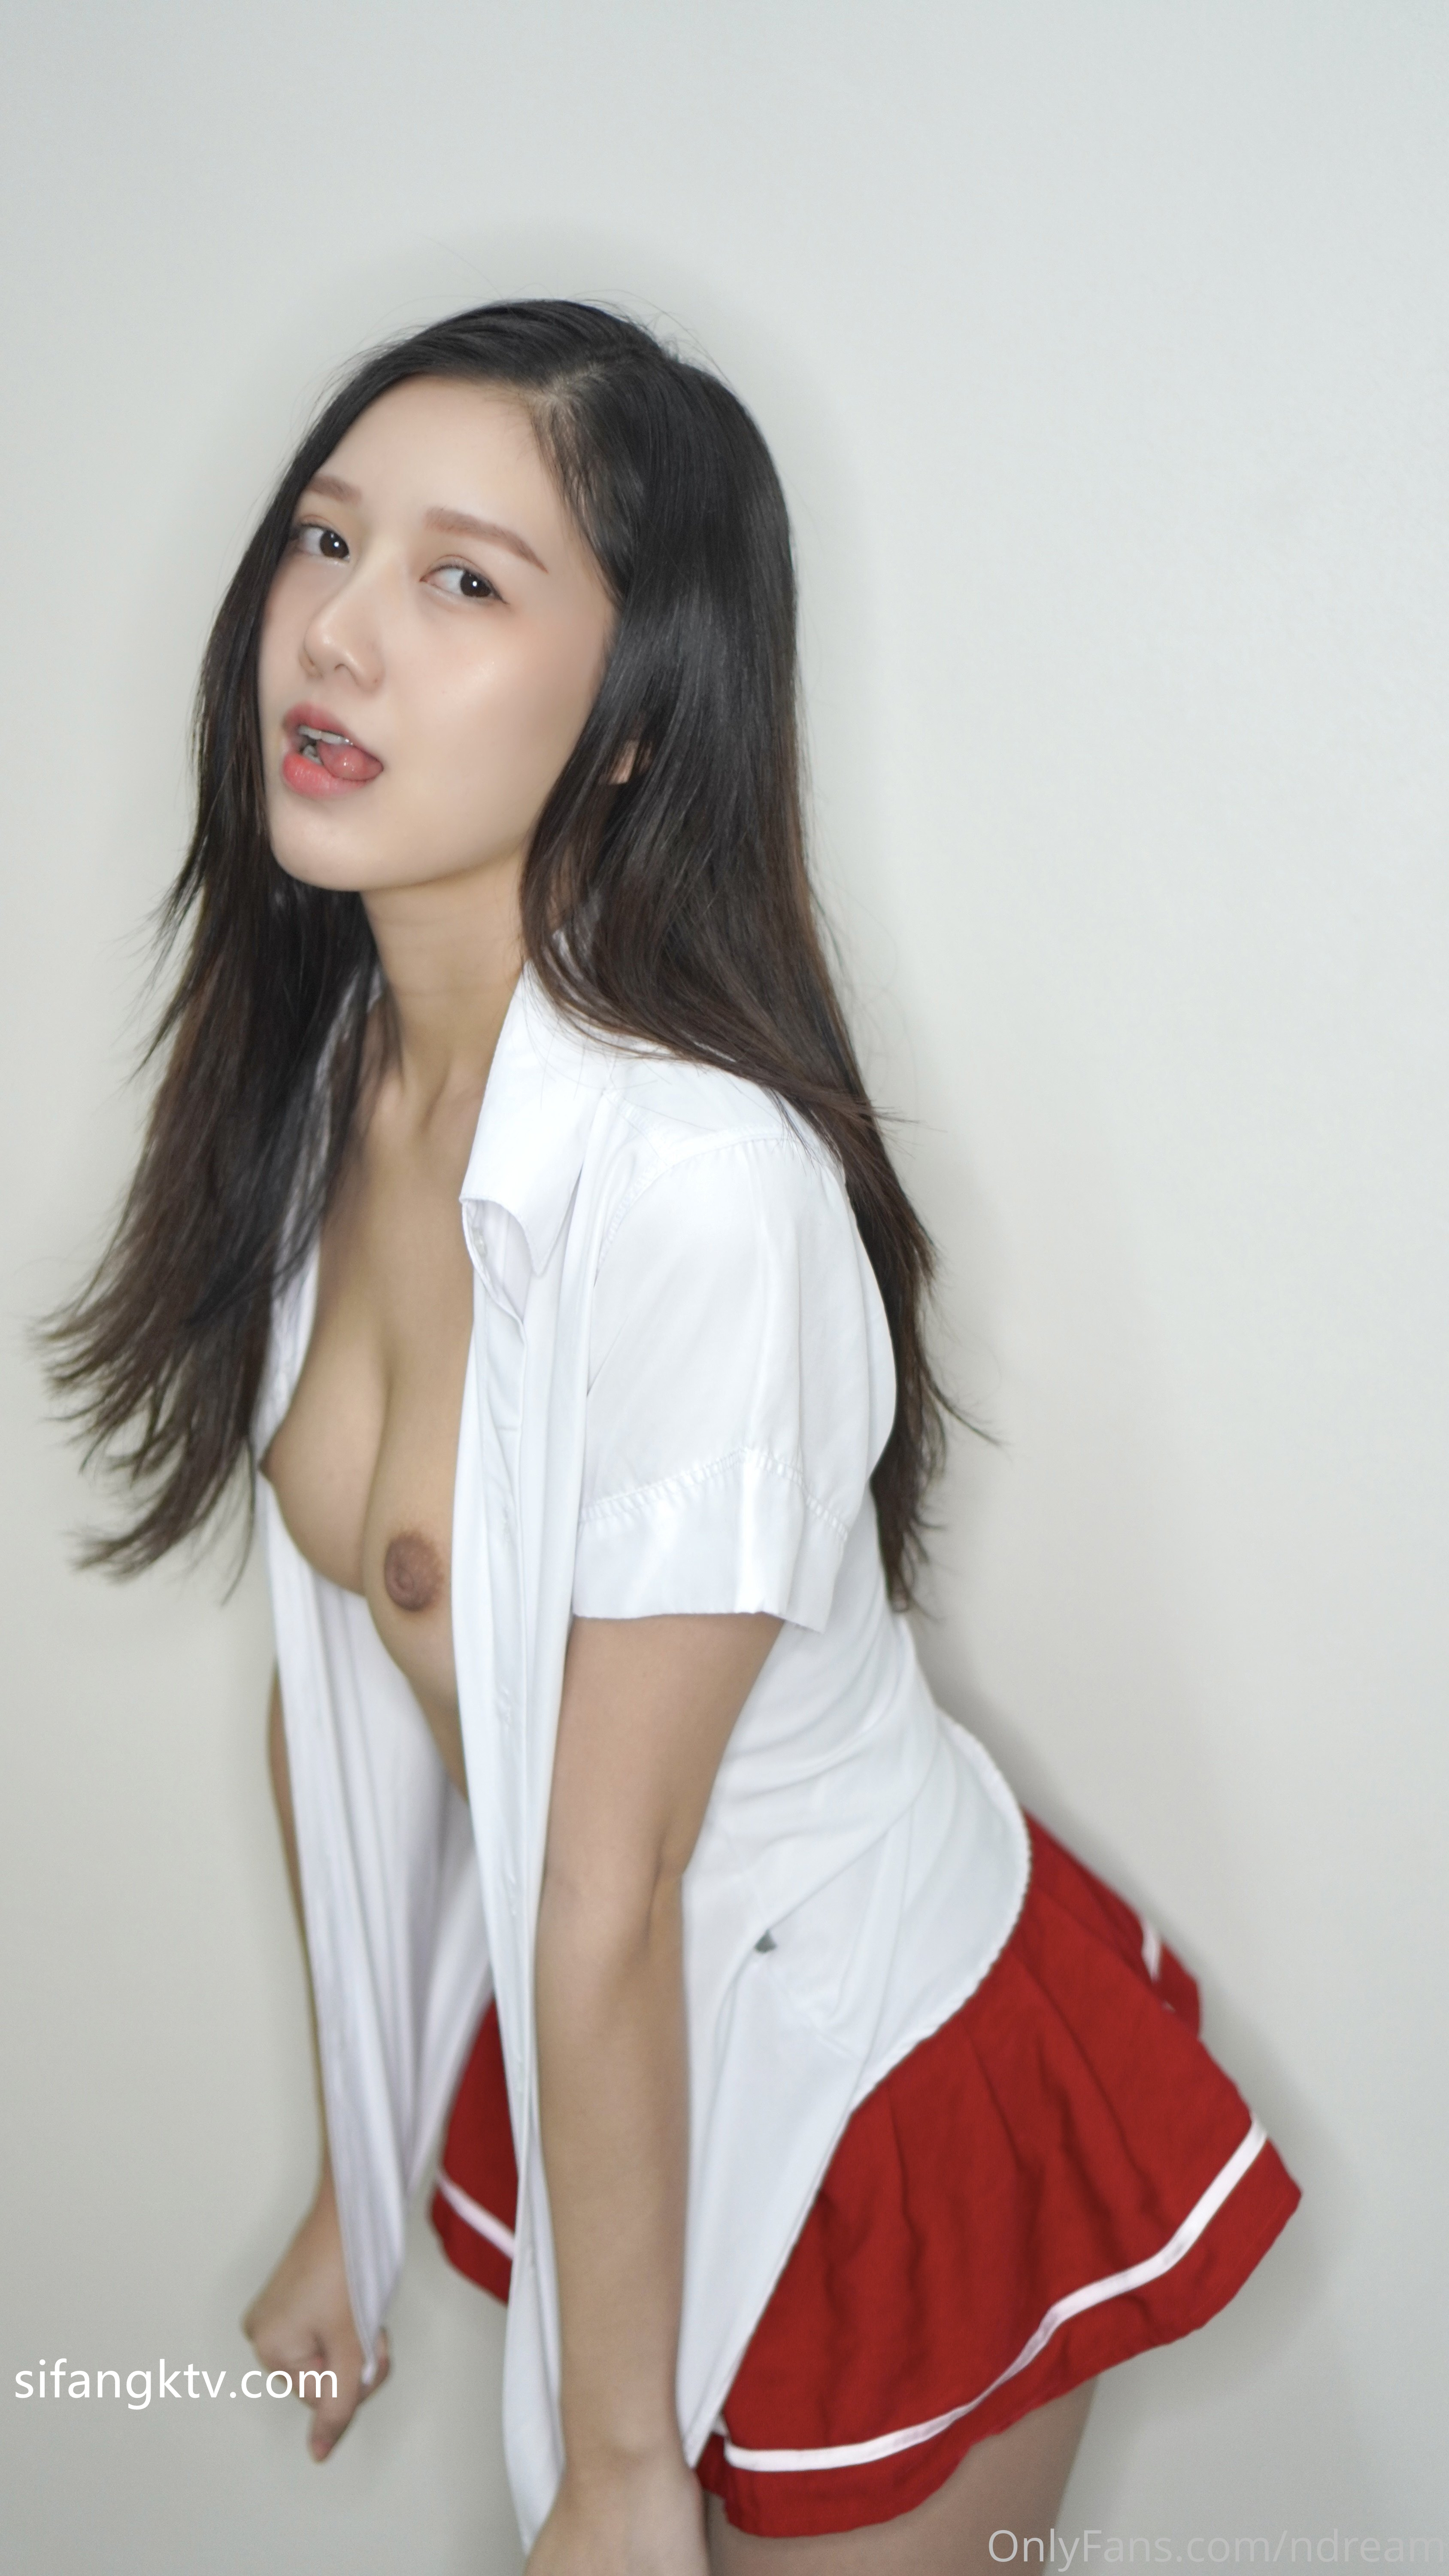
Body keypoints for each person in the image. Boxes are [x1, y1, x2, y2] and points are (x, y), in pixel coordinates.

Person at [48, 301, 1300, 2574]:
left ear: (636, 721)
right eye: (325, 540)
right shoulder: (334, 1082)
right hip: (611, 2043)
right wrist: (357, 2172)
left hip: (865, 2081)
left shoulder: (702, 1188)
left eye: (463, 578)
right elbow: (365, 1685)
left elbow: (608, 1877)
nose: (335, 632)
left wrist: (616, 2481)